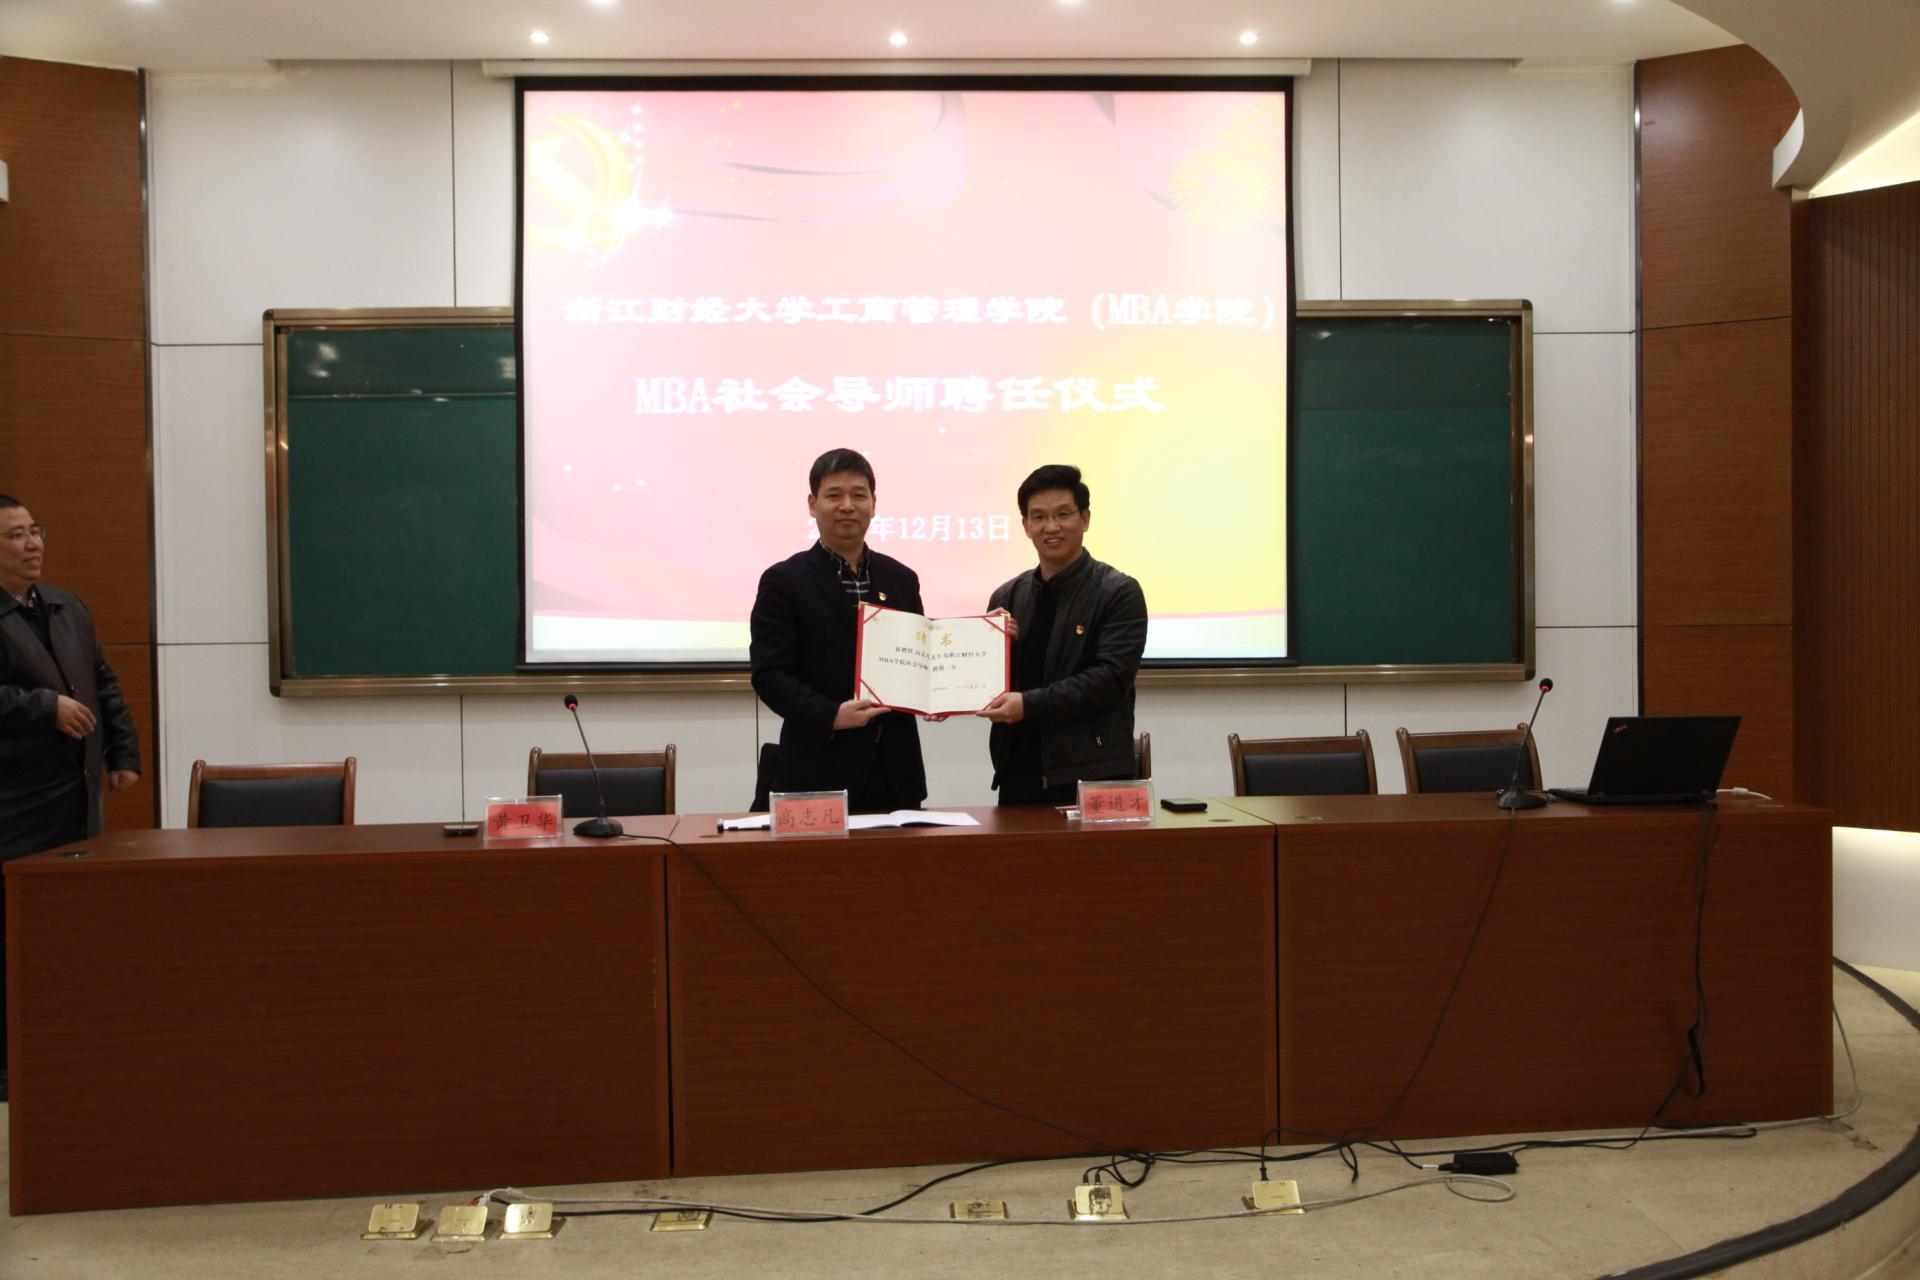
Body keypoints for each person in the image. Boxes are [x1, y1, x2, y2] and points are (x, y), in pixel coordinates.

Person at [0, 494, 142, 1100]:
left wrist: (123, 753)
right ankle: (10, 1067)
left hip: (75, 794)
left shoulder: (65, 606)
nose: (32, 544)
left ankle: (64, 1052)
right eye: (15, 535)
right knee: (13, 930)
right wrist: (43, 707)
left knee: (69, 929)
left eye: (35, 531)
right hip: (14, 799)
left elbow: (102, 680)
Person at [749, 449, 927, 811]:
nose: (847, 505)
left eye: (859, 495)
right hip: (818, 770)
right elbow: (769, 675)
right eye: (834, 495)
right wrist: (830, 714)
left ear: (874, 504)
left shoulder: (901, 578)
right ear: (812, 504)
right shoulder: (784, 581)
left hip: (896, 774)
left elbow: (918, 659)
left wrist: (938, 693)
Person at [983, 465, 1148, 806]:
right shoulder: (1007, 597)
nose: (1051, 527)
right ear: (1026, 525)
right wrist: (986, 649)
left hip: (1092, 775)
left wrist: (1028, 705)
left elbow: (1108, 680)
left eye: (1063, 514)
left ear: (1084, 519)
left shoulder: (1118, 592)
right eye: (1039, 517)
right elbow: (987, 684)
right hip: (1018, 771)